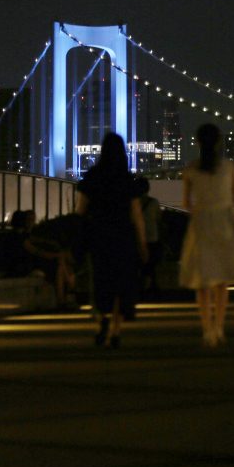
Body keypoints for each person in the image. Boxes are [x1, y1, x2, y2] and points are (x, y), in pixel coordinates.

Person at [180, 124, 234, 347]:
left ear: (197, 142)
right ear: (218, 142)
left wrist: (202, 209)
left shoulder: (190, 169)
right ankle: (219, 327)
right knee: (222, 280)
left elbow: (186, 203)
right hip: (226, 223)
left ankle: (207, 329)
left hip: (202, 224)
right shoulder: (229, 168)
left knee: (203, 279)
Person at [76, 133, 148, 349]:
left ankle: (102, 319)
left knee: (99, 282)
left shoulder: (92, 177)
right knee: (120, 286)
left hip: (99, 235)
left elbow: (80, 211)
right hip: (122, 237)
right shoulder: (127, 180)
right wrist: (143, 244)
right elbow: (137, 215)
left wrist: (79, 236)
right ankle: (116, 330)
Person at [136, 177, 163, 296]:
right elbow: (159, 220)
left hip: (137, 238)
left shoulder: (133, 203)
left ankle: (140, 286)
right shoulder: (154, 203)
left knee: (139, 263)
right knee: (151, 263)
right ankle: (152, 286)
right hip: (153, 237)